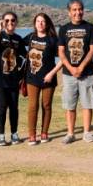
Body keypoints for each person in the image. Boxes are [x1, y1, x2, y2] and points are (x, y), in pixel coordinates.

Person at [57, 0, 93, 144]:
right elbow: (61, 52)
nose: (77, 12)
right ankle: (70, 133)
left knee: (87, 103)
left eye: (80, 9)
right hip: (69, 74)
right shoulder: (63, 29)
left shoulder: (90, 28)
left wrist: (81, 67)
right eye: (74, 10)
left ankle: (87, 132)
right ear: (69, 12)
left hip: (87, 73)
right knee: (70, 104)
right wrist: (71, 68)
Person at [0, 11, 26, 146]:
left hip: (13, 79)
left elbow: (24, 57)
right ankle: (1, 135)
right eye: (7, 20)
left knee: (14, 108)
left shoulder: (18, 39)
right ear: (3, 21)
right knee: (2, 107)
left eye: (13, 20)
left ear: (16, 22)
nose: (10, 23)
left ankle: (14, 134)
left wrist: (21, 75)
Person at [24, 13, 62, 145]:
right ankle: (32, 135)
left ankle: (44, 132)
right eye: (38, 21)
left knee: (46, 105)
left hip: (48, 78)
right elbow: (15, 45)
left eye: (43, 21)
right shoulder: (30, 37)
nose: (40, 24)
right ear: (35, 23)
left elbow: (63, 58)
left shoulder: (53, 39)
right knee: (33, 106)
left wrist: (52, 73)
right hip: (32, 77)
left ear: (47, 24)